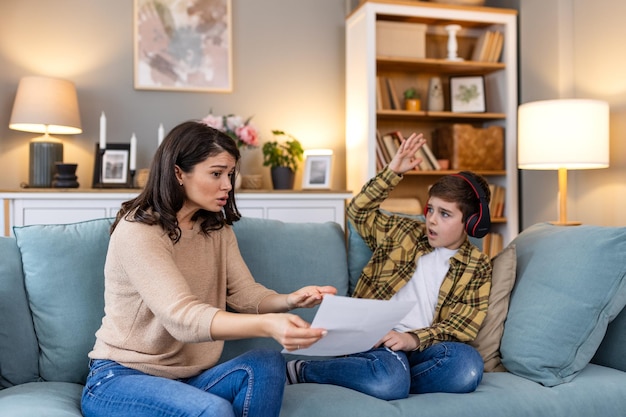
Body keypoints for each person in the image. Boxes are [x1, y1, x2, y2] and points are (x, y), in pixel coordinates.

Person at [81, 121, 336, 417]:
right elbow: (183, 318)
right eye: (216, 173)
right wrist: (269, 324)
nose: (227, 185)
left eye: (230, 174)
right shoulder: (138, 231)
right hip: (121, 379)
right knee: (213, 410)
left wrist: (289, 300)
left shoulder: (217, 230)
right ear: (178, 173)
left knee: (267, 362)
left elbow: (244, 294)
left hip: (190, 380)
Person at [286, 132, 492, 400]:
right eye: (430, 209)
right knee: (388, 380)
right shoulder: (403, 231)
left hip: (425, 347)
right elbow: (358, 212)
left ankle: (384, 377)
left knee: (468, 368)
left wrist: (413, 339)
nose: (431, 220)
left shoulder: (478, 265)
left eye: (444, 214)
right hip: (379, 342)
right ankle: (308, 371)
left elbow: (462, 326)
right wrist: (393, 171)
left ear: (471, 222)